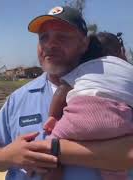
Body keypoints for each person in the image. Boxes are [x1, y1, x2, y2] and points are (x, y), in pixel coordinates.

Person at [0, 6, 133, 180]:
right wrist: (9, 156)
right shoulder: (18, 99)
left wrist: (55, 150)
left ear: (84, 44)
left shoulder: (116, 89)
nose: (49, 44)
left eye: (62, 36)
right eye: (43, 38)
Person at [42, 32, 133, 180]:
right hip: (118, 123)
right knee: (115, 166)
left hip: (81, 117)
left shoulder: (84, 67)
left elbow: (61, 92)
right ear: (120, 52)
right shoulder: (128, 69)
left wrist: (53, 116)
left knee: (52, 144)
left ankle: (53, 173)